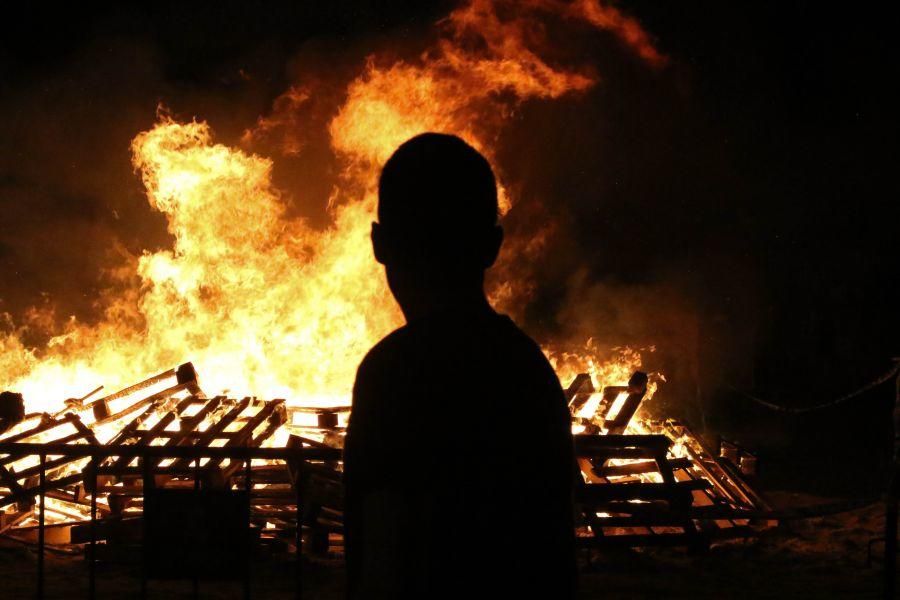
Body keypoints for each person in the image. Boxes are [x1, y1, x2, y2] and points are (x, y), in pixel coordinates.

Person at [343, 133, 576, 599]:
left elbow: (383, 550)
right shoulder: (529, 371)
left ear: (380, 243)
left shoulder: (393, 374)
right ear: (493, 246)